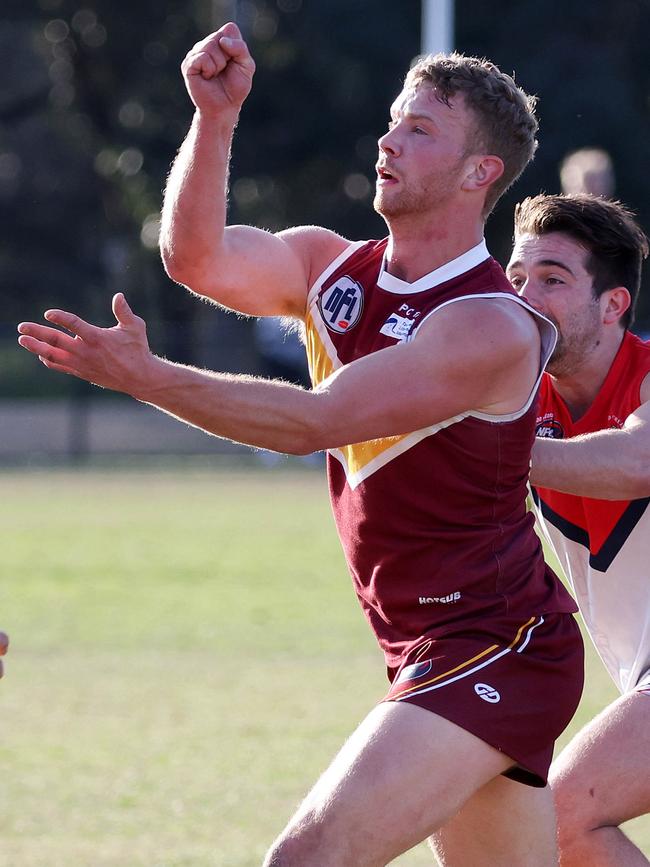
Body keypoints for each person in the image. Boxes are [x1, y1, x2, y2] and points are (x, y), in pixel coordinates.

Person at [18, 23, 584, 866]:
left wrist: (148, 377)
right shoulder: (331, 268)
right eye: (394, 119)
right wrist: (215, 118)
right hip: (427, 647)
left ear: (481, 174)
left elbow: (315, 420)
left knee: (306, 859)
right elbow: (197, 257)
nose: (389, 139)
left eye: (420, 129)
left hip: (499, 644)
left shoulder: (488, 324)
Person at [506, 192, 650, 866]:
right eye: (517, 278)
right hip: (637, 673)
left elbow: (637, 461)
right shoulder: (513, 397)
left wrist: (486, 451)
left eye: (553, 280)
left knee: (562, 818)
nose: (527, 296)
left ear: (614, 303)